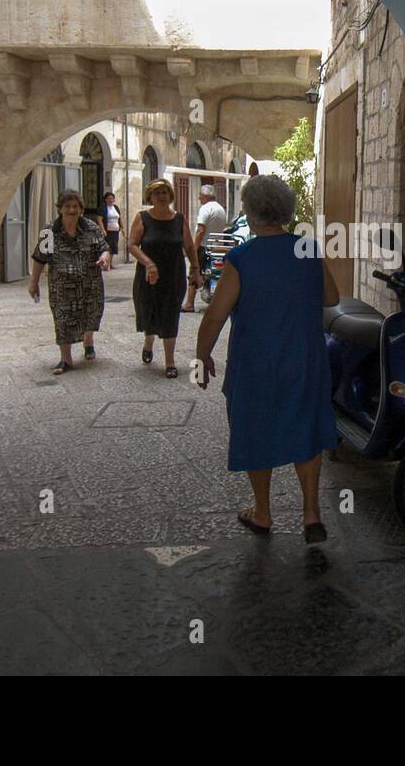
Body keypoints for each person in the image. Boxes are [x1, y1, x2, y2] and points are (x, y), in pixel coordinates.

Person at [195, 175, 339, 543]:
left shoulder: (242, 258)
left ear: (251, 213)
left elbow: (216, 314)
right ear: (285, 210)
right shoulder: (307, 249)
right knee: (306, 428)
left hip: (256, 363)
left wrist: (202, 355)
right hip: (305, 358)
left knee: (255, 428)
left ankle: (262, 513)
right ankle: (311, 515)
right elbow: (331, 297)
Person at [28, 189, 111, 374]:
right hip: (61, 287)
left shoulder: (91, 227)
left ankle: (88, 342)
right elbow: (39, 257)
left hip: (90, 284)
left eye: (75, 206)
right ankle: (66, 359)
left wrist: (104, 259)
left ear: (81, 209)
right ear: (60, 209)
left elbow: (104, 248)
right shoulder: (49, 231)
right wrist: (33, 282)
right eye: (67, 206)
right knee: (62, 319)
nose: (72, 210)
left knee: (90, 313)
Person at [129, 178, 203, 378]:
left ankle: (170, 361)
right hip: (147, 275)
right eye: (157, 193)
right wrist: (148, 263)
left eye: (164, 193)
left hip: (173, 275)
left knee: (170, 315)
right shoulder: (142, 217)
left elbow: (189, 246)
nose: (161, 196)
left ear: (170, 196)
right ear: (150, 197)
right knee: (149, 312)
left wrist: (195, 269)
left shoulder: (179, 219)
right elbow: (132, 245)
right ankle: (148, 342)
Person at [181, 184, 230, 312]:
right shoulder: (220, 208)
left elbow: (200, 230)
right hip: (217, 246)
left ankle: (189, 304)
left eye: (200, 196)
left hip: (204, 246)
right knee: (215, 273)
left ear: (205, 196)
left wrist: (194, 248)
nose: (199, 198)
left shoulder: (205, 208)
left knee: (194, 271)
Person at [97, 191, 122, 269]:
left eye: (112, 198)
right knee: (107, 247)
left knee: (113, 248)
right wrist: (103, 229)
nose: (111, 200)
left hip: (115, 230)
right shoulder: (103, 208)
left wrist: (122, 227)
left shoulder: (116, 207)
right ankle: (106, 264)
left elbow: (119, 218)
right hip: (108, 231)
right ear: (105, 200)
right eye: (109, 199)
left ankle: (110, 263)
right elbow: (99, 220)